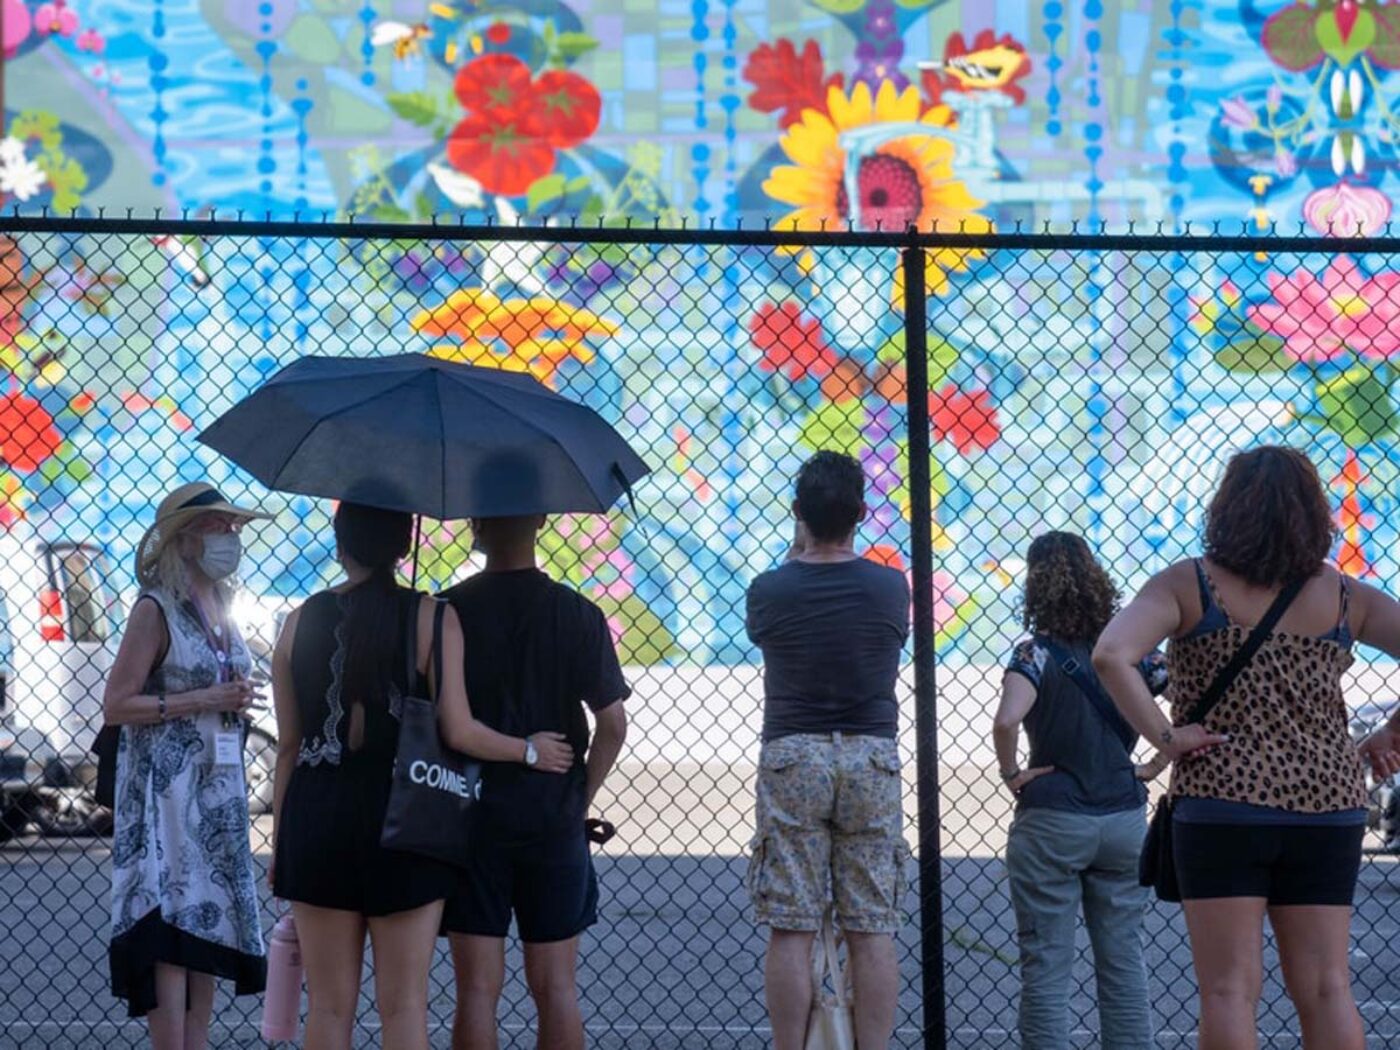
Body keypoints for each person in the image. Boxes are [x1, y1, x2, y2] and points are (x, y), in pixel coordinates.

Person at [1093, 445, 1400, 1050]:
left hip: (1223, 799)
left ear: (1226, 509)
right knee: (1327, 987)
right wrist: (1392, 730)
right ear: (1315, 514)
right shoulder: (1346, 597)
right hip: (1327, 804)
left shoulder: (1189, 584)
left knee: (1229, 990)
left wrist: (1166, 735)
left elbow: (1111, 654)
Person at [269, 502, 573, 1050]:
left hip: (316, 816)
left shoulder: (297, 622)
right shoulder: (433, 616)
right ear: (404, 547)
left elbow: (289, 745)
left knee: (329, 1008)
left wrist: (282, 844)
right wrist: (526, 750)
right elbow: (457, 730)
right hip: (404, 818)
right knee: (404, 1007)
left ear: (340, 546)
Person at [439, 513, 630, 1050]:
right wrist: (579, 795)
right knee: (556, 987)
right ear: (542, 522)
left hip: (470, 811)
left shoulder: (447, 610)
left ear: (475, 523)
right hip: (552, 815)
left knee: (476, 990)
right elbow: (612, 723)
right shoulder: (576, 613)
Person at [744, 450, 911, 1050]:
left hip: (794, 753)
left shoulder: (769, 590)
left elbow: (764, 627)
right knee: (871, 926)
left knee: (791, 926)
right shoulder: (891, 588)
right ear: (862, 514)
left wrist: (796, 552)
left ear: (798, 513)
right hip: (869, 754)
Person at [102, 481, 271, 1048]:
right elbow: (118, 703)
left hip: (214, 795)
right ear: (185, 539)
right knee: (169, 931)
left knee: (204, 933)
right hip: (164, 801)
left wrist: (236, 697)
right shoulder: (156, 609)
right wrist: (203, 700)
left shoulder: (222, 607)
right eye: (217, 526)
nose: (231, 537)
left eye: (233, 527)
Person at [993, 531, 1166, 1050]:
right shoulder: (1131, 654)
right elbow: (1190, 702)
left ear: (1033, 587)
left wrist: (1012, 773)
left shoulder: (1034, 654)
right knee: (1123, 962)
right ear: (1096, 581)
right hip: (1122, 818)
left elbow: (1006, 720)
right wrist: (1156, 760)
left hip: (1052, 820)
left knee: (1046, 967)